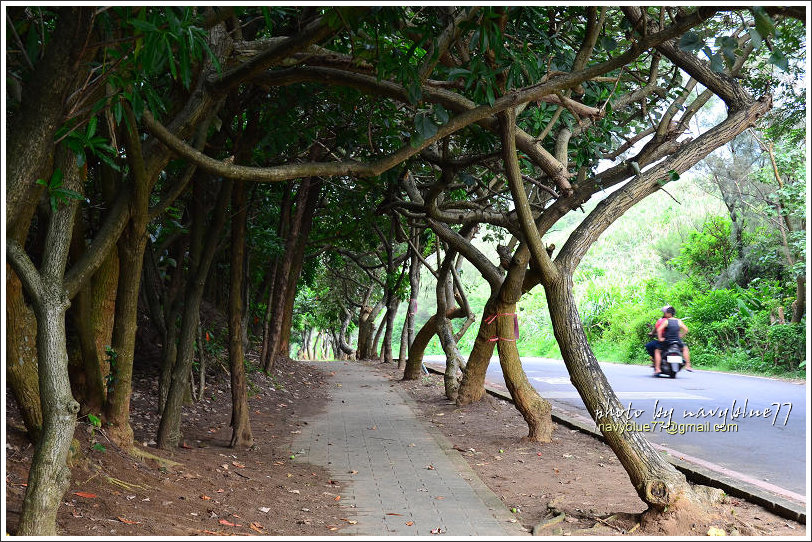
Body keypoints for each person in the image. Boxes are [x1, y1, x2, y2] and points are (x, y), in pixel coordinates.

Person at [653, 305, 693, 374]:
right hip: (677, 341)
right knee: (685, 348)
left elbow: (659, 329)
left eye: (665, 313)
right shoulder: (679, 321)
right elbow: (686, 330)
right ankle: (688, 365)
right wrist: (681, 335)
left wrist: (660, 338)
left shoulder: (666, 321)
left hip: (668, 341)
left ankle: (657, 368)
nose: (664, 314)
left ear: (669, 314)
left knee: (657, 351)